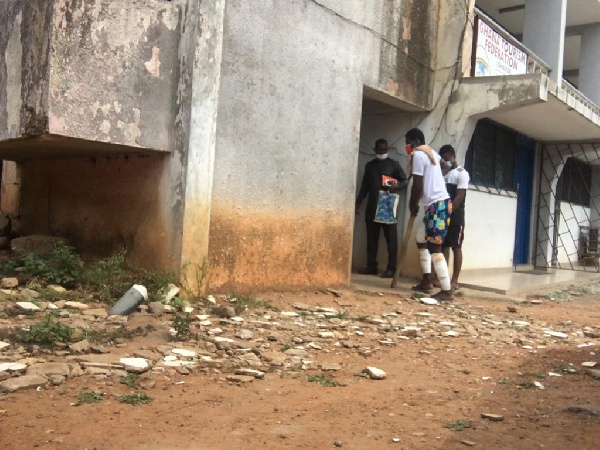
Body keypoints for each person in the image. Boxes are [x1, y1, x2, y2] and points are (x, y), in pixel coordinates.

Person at [405, 128, 454, 301]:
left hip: (437, 204)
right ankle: (426, 280)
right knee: (420, 237)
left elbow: (417, 185)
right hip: (436, 205)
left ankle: (447, 291)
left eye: (408, 141)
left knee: (435, 246)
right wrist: (436, 179)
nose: (407, 146)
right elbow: (447, 166)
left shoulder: (419, 154)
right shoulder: (431, 152)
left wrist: (412, 204)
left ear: (416, 141)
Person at [356, 139, 407, 278]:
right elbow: (364, 186)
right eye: (379, 150)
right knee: (371, 239)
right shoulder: (370, 166)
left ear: (388, 149)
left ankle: (391, 268)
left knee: (391, 238)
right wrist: (358, 202)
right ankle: (371, 266)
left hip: (388, 207)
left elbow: (405, 181)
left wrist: (396, 186)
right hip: (372, 206)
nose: (381, 152)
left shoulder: (394, 165)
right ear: (375, 150)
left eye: (384, 150)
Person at [439, 145, 469, 291]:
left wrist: (448, 212)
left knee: (456, 247)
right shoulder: (444, 174)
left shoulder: (461, 173)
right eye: (442, 160)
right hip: (442, 214)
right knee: (443, 246)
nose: (445, 162)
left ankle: (455, 280)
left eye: (446, 159)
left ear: (452, 157)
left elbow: (459, 197)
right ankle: (443, 277)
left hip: (455, 216)